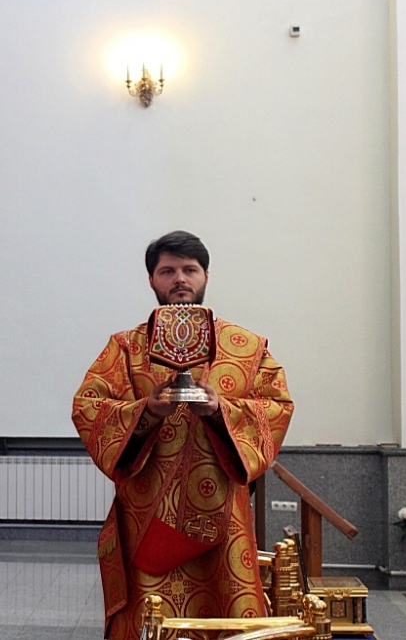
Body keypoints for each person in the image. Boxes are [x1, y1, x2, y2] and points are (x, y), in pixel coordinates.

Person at [71, 230, 294, 639]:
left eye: (189, 270)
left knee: (227, 616)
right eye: (167, 271)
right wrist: (146, 411)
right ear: (151, 280)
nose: (179, 279)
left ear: (206, 276)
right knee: (150, 621)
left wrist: (220, 411)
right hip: (147, 517)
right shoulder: (125, 348)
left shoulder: (246, 347)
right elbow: (89, 407)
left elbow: (276, 406)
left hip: (223, 521)